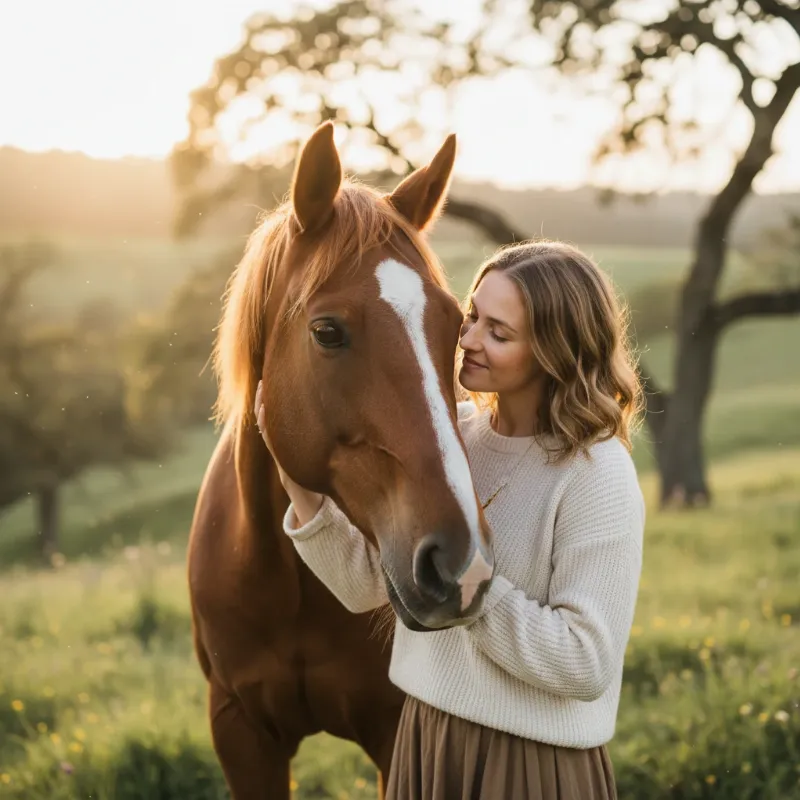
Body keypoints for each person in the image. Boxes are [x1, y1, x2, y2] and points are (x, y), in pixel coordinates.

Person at [257, 240, 645, 799]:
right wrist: (299, 487)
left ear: (555, 352)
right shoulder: (453, 438)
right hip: (424, 741)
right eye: (472, 317)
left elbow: (587, 662)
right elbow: (368, 585)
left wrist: (470, 590)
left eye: (500, 333)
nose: (468, 341)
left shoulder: (594, 470)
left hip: (531, 762)